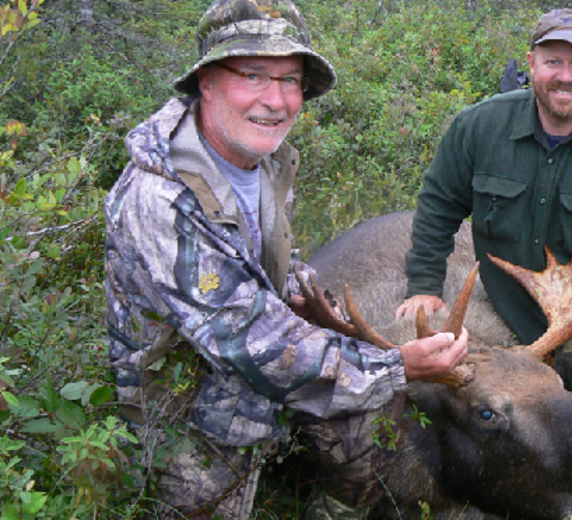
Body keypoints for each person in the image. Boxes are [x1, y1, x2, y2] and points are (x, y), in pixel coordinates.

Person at [104, 0, 468, 518]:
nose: (276, 100)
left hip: (258, 361)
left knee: (376, 417)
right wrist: (397, 365)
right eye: (253, 74)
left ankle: (331, 508)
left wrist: (301, 287)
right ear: (206, 80)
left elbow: (271, 258)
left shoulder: (263, 158)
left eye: (291, 80)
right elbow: (254, 345)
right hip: (186, 403)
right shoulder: (162, 199)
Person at [397, 8, 572, 399]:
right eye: (553, 62)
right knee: (447, 394)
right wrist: (424, 287)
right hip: (504, 300)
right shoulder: (478, 127)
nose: (565, 76)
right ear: (531, 64)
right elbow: (438, 206)